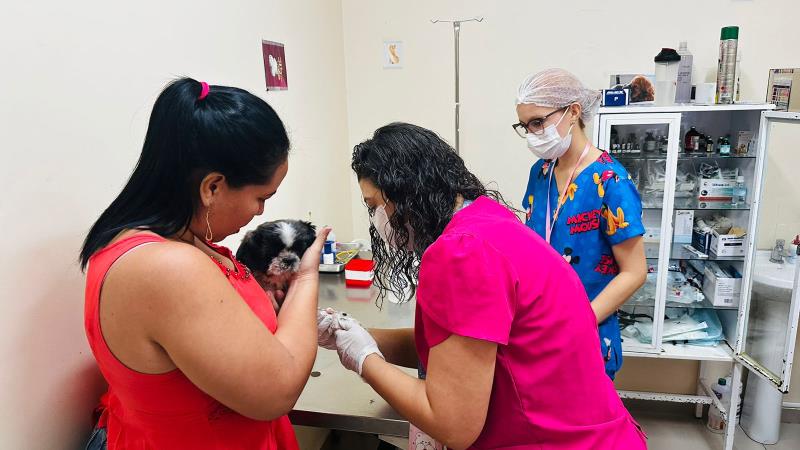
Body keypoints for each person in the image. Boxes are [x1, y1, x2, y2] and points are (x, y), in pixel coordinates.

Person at [318, 123, 647, 449]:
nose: (376, 219)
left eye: (374, 205)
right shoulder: (487, 221)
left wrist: (364, 359)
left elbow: (452, 425)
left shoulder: (462, 253)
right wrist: (356, 335)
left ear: (405, 194)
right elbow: (450, 350)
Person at [79, 78, 329, 449]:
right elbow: (279, 390)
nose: (261, 211)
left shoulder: (178, 240)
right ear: (212, 187)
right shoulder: (167, 267)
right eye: (261, 197)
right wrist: (307, 277)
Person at [514, 68, 648, 379]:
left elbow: (635, 272)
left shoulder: (611, 181)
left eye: (538, 122)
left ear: (573, 112)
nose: (532, 133)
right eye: (525, 126)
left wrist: (580, 321)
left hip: (587, 331)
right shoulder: (541, 172)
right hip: (540, 327)